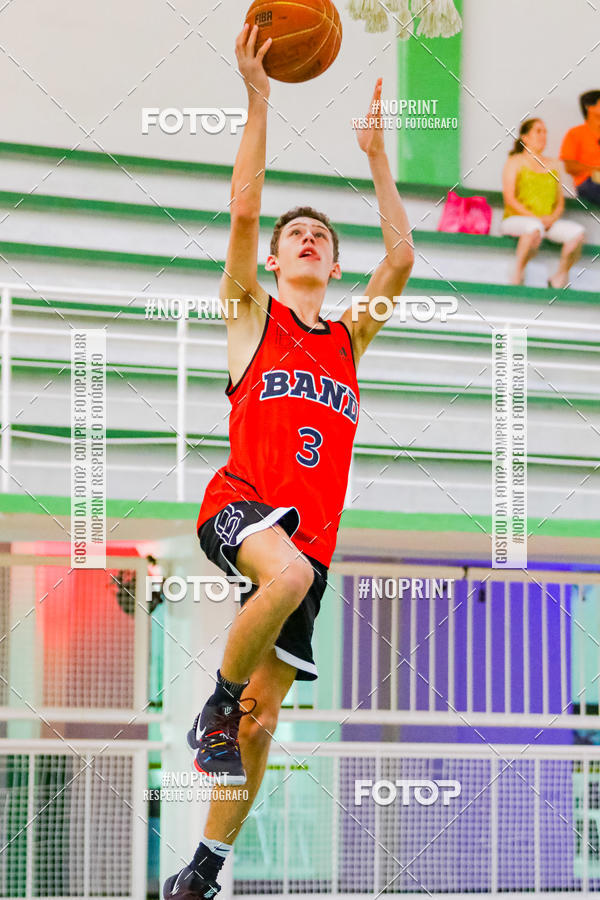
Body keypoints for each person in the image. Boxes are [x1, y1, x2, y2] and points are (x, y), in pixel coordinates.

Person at [162, 23, 414, 900]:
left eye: (320, 237)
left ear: (334, 263)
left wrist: (378, 160)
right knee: (288, 585)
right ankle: (214, 708)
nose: (306, 239)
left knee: (266, 723)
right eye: (293, 234)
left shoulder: (348, 340)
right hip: (240, 507)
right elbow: (241, 205)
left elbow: (406, 257)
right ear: (272, 259)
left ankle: (204, 867)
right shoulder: (250, 315)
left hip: (307, 551)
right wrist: (258, 93)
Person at [501, 118, 585, 288]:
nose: (543, 135)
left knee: (577, 233)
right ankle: (517, 274)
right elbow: (510, 199)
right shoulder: (515, 161)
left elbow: (559, 202)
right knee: (533, 228)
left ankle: (559, 276)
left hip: (547, 222)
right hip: (517, 219)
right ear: (525, 137)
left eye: (545, 132)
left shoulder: (553, 165)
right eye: (538, 131)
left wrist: (552, 218)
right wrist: (536, 218)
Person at [560, 90, 600, 207]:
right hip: (589, 183)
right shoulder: (575, 133)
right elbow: (570, 166)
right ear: (589, 107)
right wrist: (595, 169)